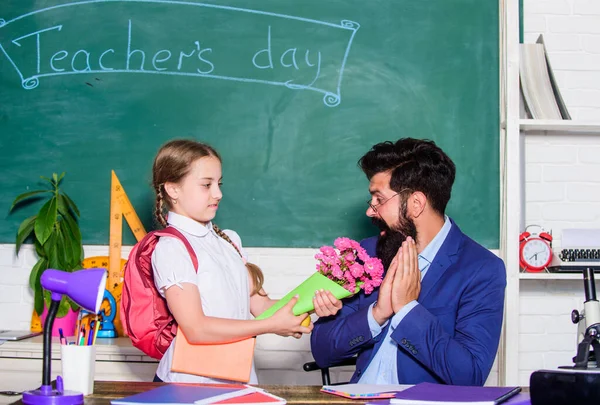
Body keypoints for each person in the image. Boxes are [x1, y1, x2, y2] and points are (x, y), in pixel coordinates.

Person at [310, 138, 506, 386]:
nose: (371, 211)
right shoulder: (367, 254)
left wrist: (406, 309)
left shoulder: (481, 269)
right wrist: (377, 314)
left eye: (379, 199)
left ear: (415, 203)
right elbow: (321, 349)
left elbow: (470, 376)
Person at [150, 139, 330, 383]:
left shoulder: (228, 240)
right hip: (188, 383)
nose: (218, 193)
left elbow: (262, 308)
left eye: (219, 183)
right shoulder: (171, 248)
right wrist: (269, 326)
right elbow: (197, 329)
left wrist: (319, 300)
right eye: (206, 185)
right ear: (173, 189)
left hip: (237, 376)